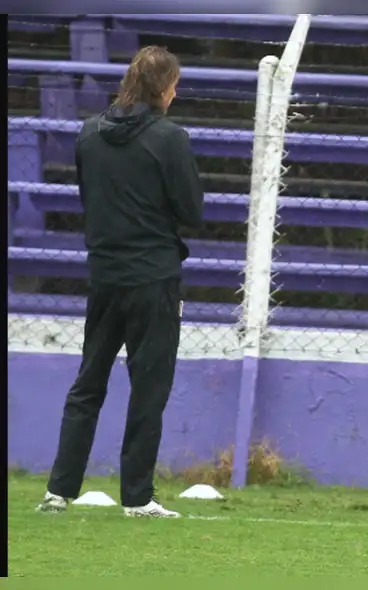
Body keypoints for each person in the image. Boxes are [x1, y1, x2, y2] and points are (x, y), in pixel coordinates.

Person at [35, 46, 204, 518]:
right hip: (153, 277)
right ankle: (138, 497)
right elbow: (192, 211)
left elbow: (90, 198)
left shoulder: (89, 133)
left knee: (88, 381)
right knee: (149, 388)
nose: (176, 94)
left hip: (105, 274)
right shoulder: (170, 138)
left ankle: (58, 491)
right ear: (163, 89)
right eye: (174, 85)